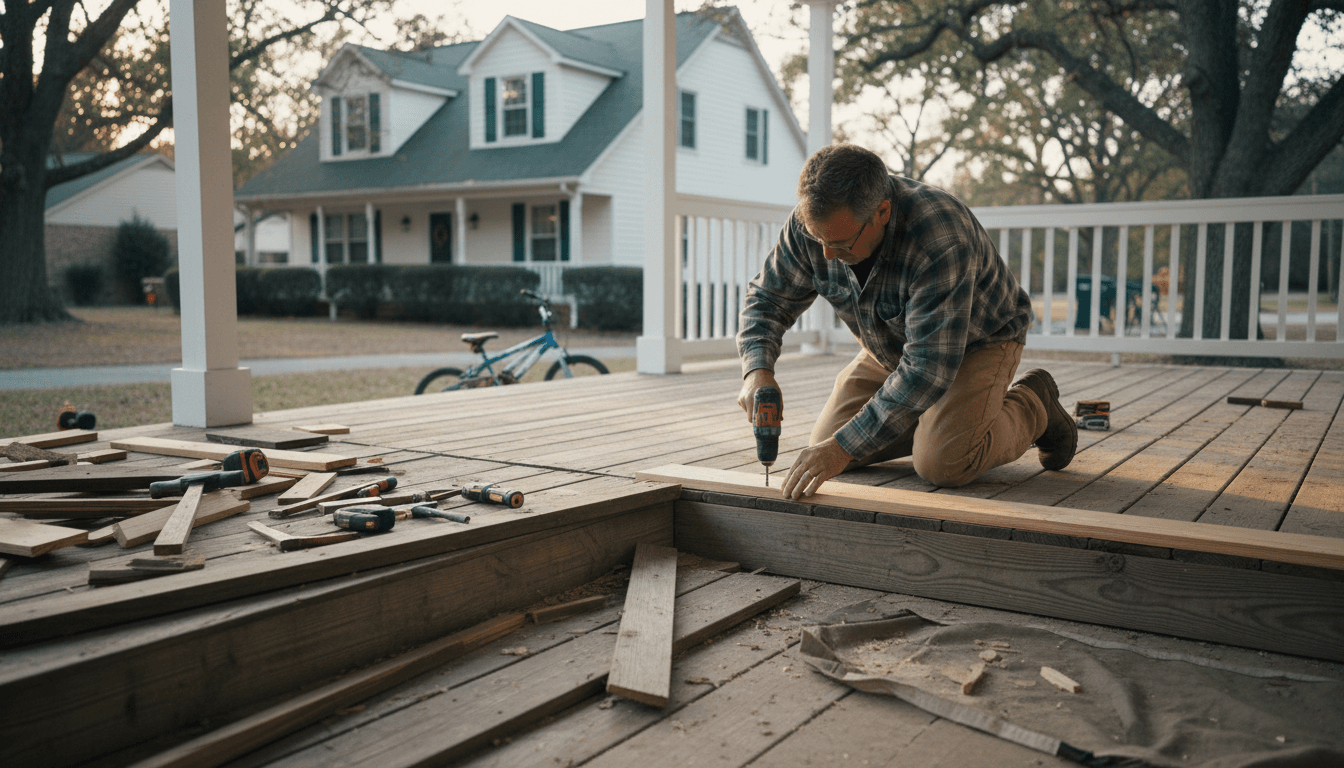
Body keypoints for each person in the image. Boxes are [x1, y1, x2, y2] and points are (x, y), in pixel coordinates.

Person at [736, 144, 1077, 500]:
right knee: (827, 445)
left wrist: (843, 447)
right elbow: (767, 299)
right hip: (890, 347)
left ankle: (1034, 404)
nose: (827, 255)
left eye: (841, 244)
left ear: (882, 212)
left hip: (977, 342)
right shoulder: (815, 224)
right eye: (817, 239)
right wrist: (757, 372)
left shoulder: (940, 235)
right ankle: (935, 420)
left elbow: (927, 369)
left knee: (942, 462)